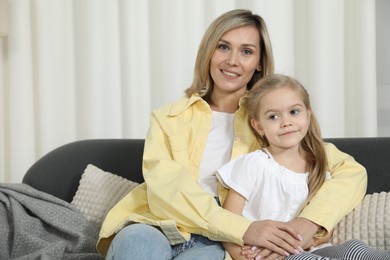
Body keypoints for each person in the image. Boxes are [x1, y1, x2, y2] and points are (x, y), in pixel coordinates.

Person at [97, 9, 367, 259]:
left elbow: (352, 172)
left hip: (220, 240)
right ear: (209, 52)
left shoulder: (271, 120)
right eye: (223, 47)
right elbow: (167, 190)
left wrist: (306, 225)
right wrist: (240, 229)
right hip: (159, 221)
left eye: (247, 51)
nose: (232, 61)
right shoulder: (168, 118)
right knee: (136, 243)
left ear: (259, 63)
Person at [217, 74, 390, 260]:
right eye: (273, 116)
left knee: (353, 249)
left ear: (308, 114)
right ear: (259, 127)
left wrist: (309, 241)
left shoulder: (320, 166)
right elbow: (228, 223)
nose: (286, 122)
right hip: (267, 256)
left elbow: (324, 228)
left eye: (294, 112)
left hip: (309, 250)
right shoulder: (252, 164)